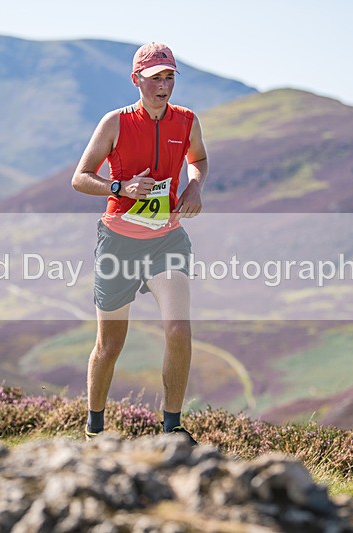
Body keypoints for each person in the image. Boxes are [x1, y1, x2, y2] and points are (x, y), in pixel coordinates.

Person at [72, 42, 209, 445]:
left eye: (169, 78)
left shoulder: (186, 121)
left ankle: (172, 428)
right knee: (110, 345)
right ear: (136, 80)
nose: (163, 86)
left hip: (166, 240)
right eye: (154, 79)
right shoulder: (115, 123)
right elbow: (80, 178)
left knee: (178, 330)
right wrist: (121, 186)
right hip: (119, 242)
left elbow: (198, 160)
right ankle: (95, 430)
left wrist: (195, 187)